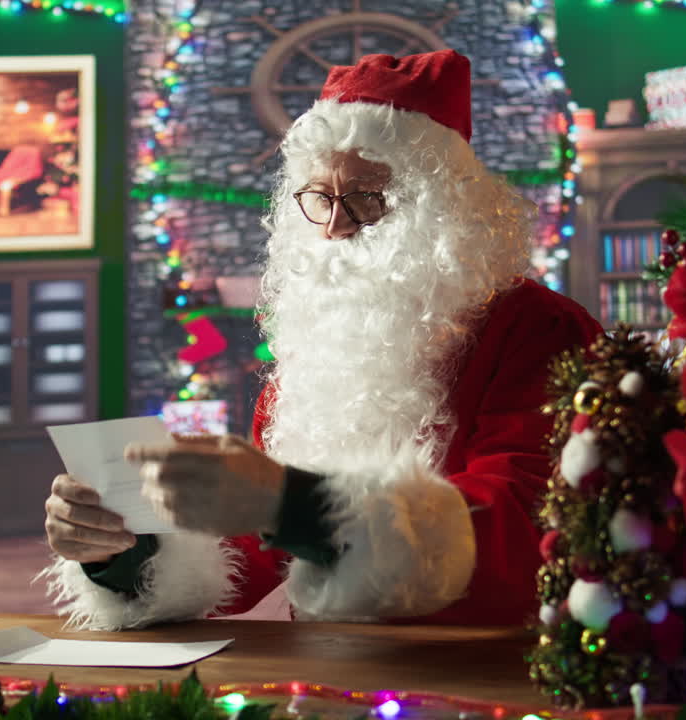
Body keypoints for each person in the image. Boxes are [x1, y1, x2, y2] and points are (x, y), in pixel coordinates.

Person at [40, 50, 602, 629]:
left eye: (366, 199)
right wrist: (124, 549)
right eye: (320, 198)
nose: (335, 226)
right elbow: (256, 551)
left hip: (490, 670)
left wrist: (294, 504)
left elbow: (526, 526)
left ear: (439, 209)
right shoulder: (323, 341)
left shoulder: (540, 329)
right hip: (339, 668)